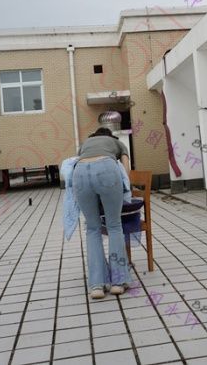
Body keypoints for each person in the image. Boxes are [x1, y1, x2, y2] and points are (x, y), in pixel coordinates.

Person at [73, 127, 132, 299]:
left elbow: (77, 160)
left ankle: (97, 286)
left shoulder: (85, 144)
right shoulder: (116, 143)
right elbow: (126, 170)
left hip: (80, 173)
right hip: (107, 169)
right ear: (109, 136)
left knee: (92, 229)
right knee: (114, 226)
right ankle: (118, 283)